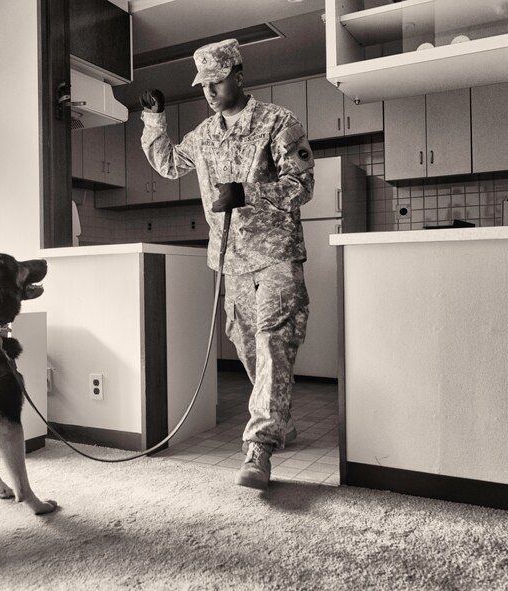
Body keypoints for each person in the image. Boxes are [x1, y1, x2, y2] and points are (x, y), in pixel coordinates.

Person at [139, 39, 314, 490]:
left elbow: (302, 184)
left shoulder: (278, 122)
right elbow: (169, 165)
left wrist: (249, 192)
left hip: (275, 255)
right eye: (203, 85)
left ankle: (259, 448)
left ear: (238, 75)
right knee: (247, 346)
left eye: (216, 82)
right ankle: (279, 417)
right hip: (231, 261)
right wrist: (154, 121)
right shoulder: (203, 135)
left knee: (273, 342)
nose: (210, 92)